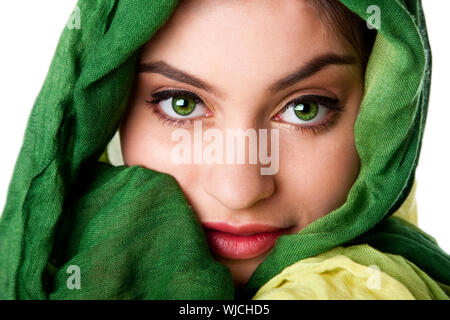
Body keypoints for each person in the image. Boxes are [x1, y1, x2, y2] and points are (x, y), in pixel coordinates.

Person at [0, 0, 449, 300]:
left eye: (305, 108)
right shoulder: (65, 260)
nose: (239, 189)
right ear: (109, 108)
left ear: (383, 116)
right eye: (183, 104)